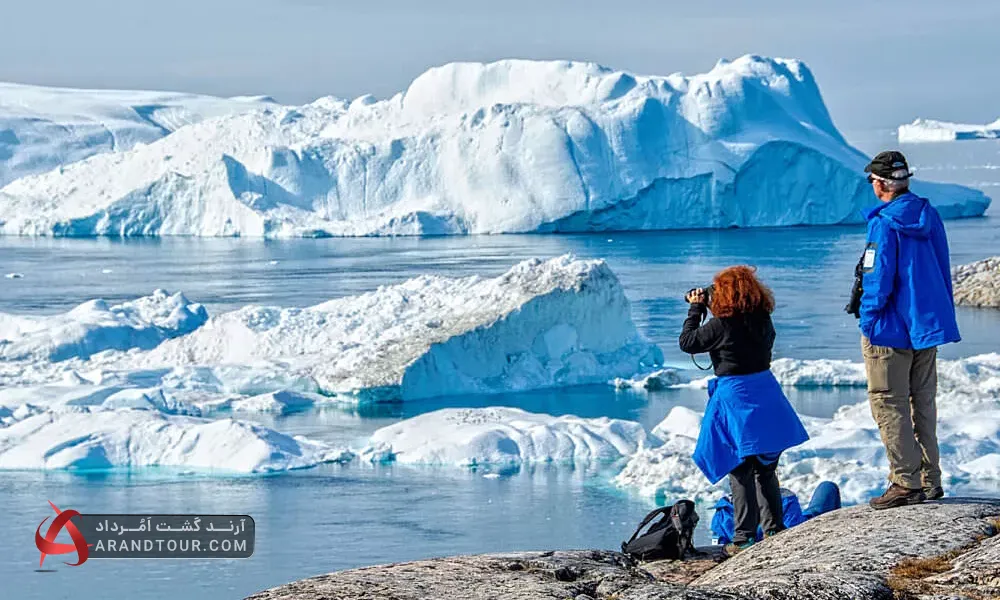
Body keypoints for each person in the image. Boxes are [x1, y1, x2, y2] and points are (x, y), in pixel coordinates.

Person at [680, 266, 809, 557]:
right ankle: (774, 528)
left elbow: (688, 342)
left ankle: (744, 537)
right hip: (765, 393)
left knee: (739, 467)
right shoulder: (764, 320)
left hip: (735, 397)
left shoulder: (721, 324)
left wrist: (695, 310)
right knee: (766, 467)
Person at [857, 151, 961, 510]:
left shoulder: (884, 223)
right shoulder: (927, 215)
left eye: (872, 180)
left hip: (889, 329)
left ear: (882, 184)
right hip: (925, 326)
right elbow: (942, 266)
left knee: (889, 401)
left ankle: (905, 482)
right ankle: (930, 480)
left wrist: (868, 321)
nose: (872, 185)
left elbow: (877, 277)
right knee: (923, 402)